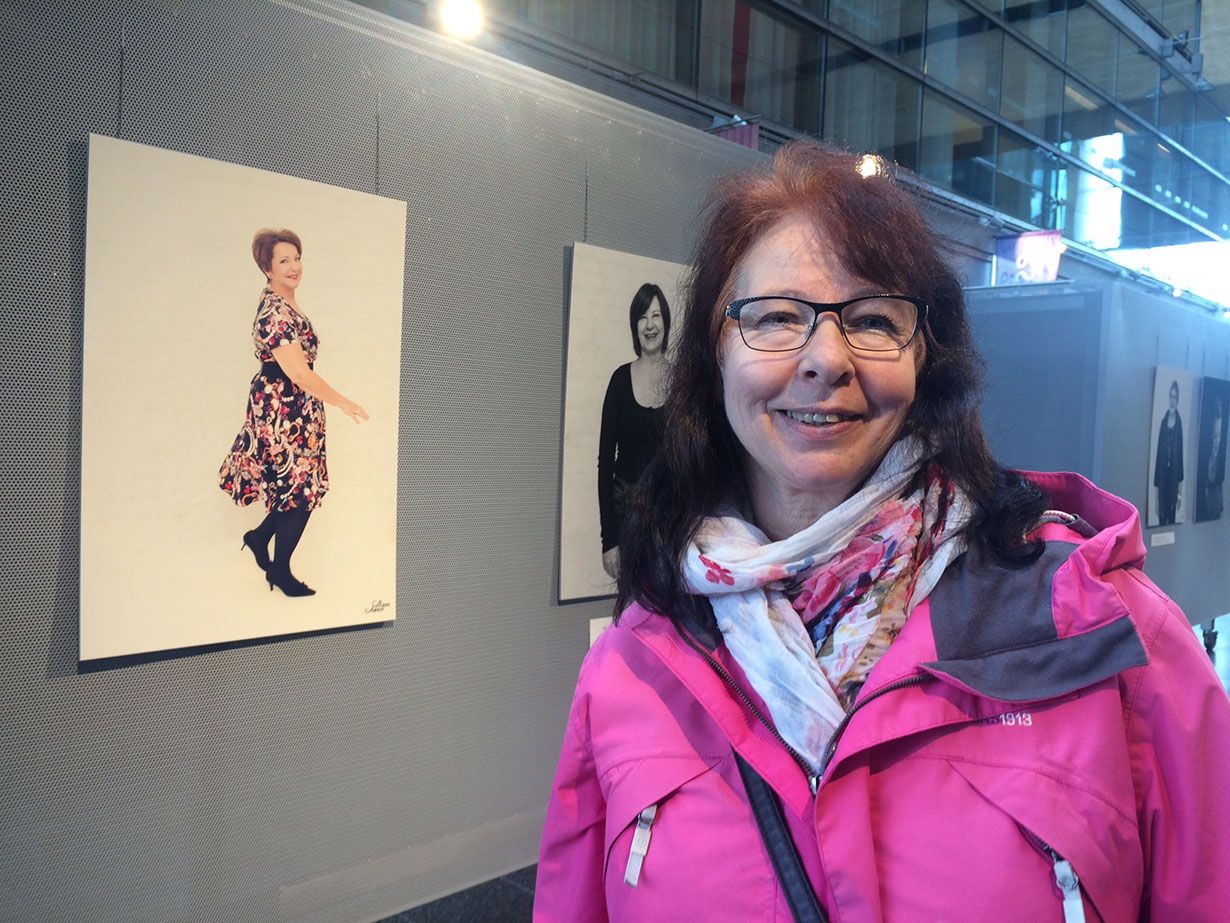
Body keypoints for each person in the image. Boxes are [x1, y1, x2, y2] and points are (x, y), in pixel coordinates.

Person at [535, 143, 1230, 921]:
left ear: (925, 357)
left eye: (871, 319)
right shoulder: (633, 665)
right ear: (714, 353)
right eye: (776, 318)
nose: (826, 359)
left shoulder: (1105, 634)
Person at [219, 229, 368, 597]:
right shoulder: (275, 312)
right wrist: (343, 401)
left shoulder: (286, 302)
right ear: (267, 269)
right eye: (283, 260)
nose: (294, 266)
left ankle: (260, 538)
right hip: (282, 408)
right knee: (300, 489)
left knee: (297, 486)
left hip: (297, 406)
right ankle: (280, 570)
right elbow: (299, 373)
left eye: (297, 258)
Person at [597, 283, 670, 580]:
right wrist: (609, 541)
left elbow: (688, 462)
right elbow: (605, 464)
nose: (649, 325)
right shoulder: (619, 381)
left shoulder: (680, 382)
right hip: (626, 523)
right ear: (634, 326)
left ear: (666, 322)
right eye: (642, 317)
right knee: (632, 604)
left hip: (670, 524)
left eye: (656, 315)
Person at [1153, 379, 1184, 526]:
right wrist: (1155, 498)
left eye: (1175, 397)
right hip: (1163, 483)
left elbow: (1181, 460)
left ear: (1178, 400)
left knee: (1171, 522)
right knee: (1161, 521)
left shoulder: (1179, 426)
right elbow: (1158, 460)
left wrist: (1180, 494)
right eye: (1171, 396)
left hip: (1173, 485)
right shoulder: (1163, 424)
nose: (1172, 400)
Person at [1197, 400, 1224, 522]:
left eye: (1219, 436)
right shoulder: (1200, 468)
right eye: (1214, 436)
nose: (1217, 443)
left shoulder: (1222, 469)